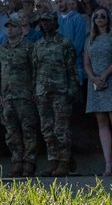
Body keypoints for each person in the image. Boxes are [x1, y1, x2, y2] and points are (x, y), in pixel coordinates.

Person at [30, 12, 79, 177]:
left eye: (48, 21)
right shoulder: (38, 45)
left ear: (55, 23)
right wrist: (34, 90)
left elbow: (71, 68)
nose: (45, 24)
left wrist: (72, 89)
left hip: (61, 91)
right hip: (42, 91)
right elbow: (35, 70)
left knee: (61, 129)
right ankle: (54, 161)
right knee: (47, 129)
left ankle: (64, 161)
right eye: (42, 21)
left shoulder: (65, 42)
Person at [0, 17, 40, 176]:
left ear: (20, 29)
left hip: (25, 96)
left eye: (13, 27)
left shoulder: (29, 47)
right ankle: (17, 161)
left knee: (28, 130)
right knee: (11, 132)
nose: (10, 29)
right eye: (8, 27)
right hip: (7, 97)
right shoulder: (0, 49)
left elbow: (35, 71)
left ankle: (29, 162)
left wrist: (34, 91)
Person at [84, 7, 112, 176]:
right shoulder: (89, 39)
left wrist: (104, 75)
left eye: (103, 16)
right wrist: (94, 78)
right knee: (101, 120)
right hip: (94, 83)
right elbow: (86, 62)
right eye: (96, 16)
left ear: (108, 19)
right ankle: (108, 164)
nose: (99, 19)